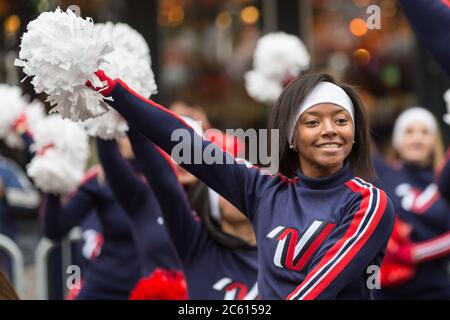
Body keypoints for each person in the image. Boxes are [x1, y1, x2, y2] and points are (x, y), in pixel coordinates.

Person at [88, 71, 395, 300]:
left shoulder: (369, 202)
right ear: (290, 136)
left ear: (355, 133)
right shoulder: (264, 191)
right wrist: (114, 92)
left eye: (342, 121)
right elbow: (186, 143)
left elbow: (319, 287)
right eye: (313, 122)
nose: (330, 130)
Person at [374, 107, 450, 299]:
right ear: (397, 141)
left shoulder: (444, 182)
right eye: (409, 132)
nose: (417, 139)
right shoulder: (381, 175)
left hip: (434, 288)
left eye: (425, 132)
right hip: (384, 289)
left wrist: (415, 253)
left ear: (435, 141)